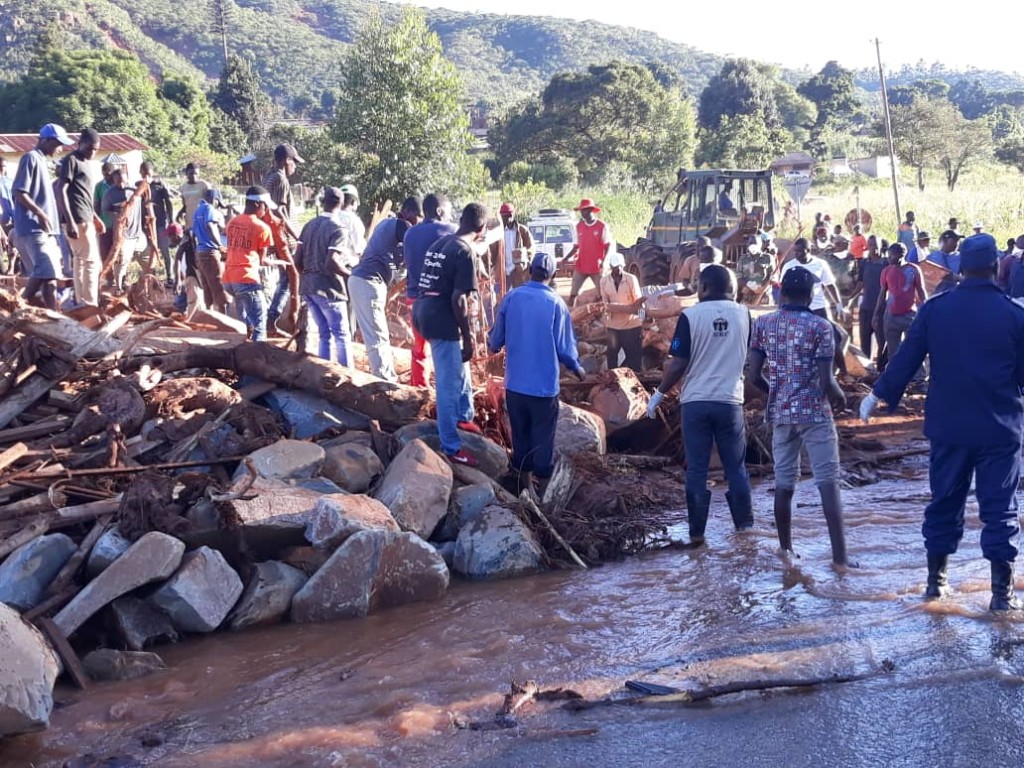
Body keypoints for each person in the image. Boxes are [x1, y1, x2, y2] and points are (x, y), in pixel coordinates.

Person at [862, 234, 1024, 611]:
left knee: (944, 504)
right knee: (999, 510)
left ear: (962, 268)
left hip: (949, 427)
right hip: (999, 429)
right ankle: (1002, 597)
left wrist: (878, 394)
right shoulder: (1015, 315)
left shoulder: (936, 310)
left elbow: (905, 357)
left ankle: (936, 586)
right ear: (995, 267)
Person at [747, 266, 854, 567]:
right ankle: (841, 559)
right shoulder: (821, 327)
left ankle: (786, 551)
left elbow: (754, 375)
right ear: (810, 295)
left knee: (784, 484)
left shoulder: (763, 324)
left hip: (781, 413)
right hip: (814, 414)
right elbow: (826, 381)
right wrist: (841, 398)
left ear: (781, 293)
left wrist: (776, 393)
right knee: (827, 483)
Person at [648, 264, 754, 546]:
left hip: (695, 403)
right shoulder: (745, 314)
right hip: (730, 401)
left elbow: (678, 364)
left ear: (703, 288)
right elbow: (751, 360)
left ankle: (696, 536)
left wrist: (658, 393)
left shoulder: (690, 316)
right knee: (736, 469)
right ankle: (745, 532)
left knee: (697, 469)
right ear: (732, 288)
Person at [488, 251, 585, 498]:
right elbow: (565, 349)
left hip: (516, 386)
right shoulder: (556, 304)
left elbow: (495, 339)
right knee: (543, 438)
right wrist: (577, 368)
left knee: (520, 435)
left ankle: (523, 489)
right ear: (552, 275)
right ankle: (542, 497)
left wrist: (494, 345)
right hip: (543, 388)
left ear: (529, 271)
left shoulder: (512, 297)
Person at [413, 203, 488, 467]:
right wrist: (468, 337)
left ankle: (463, 415)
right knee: (448, 383)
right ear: (482, 229)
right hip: (442, 319)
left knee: (461, 368)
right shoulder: (465, 252)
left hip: (423, 312)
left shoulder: (440, 244)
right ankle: (451, 446)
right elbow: (459, 299)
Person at [350, 196, 422, 382]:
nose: (420, 222)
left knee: (377, 335)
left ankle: (385, 376)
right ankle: (385, 383)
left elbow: (404, 268)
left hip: (367, 282)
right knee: (377, 337)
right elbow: (413, 241)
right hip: (368, 282)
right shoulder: (396, 224)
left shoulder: (393, 232)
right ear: (407, 212)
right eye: (419, 217)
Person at [12, 125, 74, 308]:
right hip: (33, 226)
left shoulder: (41, 161)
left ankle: (52, 315)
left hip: (45, 229)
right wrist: (40, 214)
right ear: (45, 141)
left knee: (50, 275)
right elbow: (19, 191)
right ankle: (17, 307)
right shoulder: (30, 158)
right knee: (45, 271)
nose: (60, 149)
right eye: (58, 144)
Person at [294, 187, 351, 366]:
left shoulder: (309, 225)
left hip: (308, 287)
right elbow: (331, 262)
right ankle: (349, 376)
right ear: (341, 204)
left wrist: (308, 273)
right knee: (342, 335)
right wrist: (350, 275)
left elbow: (297, 260)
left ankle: (323, 373)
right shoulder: (338, 228)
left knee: (324, 333)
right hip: (328, 288)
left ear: (322, 202)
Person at [404, 193, 456, 387]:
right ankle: (446, 396)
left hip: (414, 300)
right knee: (444, 350)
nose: (451, 216)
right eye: (449, 212)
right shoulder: (450, 230)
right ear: (440, 211)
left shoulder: (409, 233)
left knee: (419, 349)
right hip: (438, 302)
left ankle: (419, 390)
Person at [56, 128, 103, 307]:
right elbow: (61, 189)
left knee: (81, 261)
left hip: (86, 217)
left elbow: (84, 195)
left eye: (96, 149)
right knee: (91, 262)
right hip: (76, 220)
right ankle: (90, 304)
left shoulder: (86, 163)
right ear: (80, 144)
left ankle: (81, 303)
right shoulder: (72, 160)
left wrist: (95, 217)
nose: (92, 152)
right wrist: (69, 221)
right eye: (90, 148)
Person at [221, 186, 274, 341]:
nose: (266, 210)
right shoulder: (262, 227)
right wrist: (277, 262)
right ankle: (258, 358)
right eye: (265, 206)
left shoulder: (232, 222)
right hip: (246, 278)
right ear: (258, 204)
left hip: (229, 279)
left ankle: (244, 350)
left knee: (247, 320)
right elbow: (262, 259)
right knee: (260, 323)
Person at [262, 143, 304, 335]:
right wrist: (296, 235)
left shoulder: (269, 177)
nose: (295, 166)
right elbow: (278, 211)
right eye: (294, 162)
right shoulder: (280, 180)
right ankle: (273, 319)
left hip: (277, 237)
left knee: (286, 279)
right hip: (283, 238)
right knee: (288, 279)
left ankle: (276, 319)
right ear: (287, 161)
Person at [874, 243, 927, 376]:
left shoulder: (913, 269)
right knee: (893, 351)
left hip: (909, 315)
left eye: (891, 255)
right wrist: (876, 314)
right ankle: (894, 378)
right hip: (890, 316)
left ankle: (919, 379)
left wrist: (927, 309)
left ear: (900, 255)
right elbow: (882, 294)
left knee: (914, 347)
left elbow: (921, 291)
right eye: (888, 254)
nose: (888, 257)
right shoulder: (886, 271)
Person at [102, 166, 145, 294]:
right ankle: (119, 287)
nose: (121, 184)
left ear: (127, 178)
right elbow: (105, 210)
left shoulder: (135, 190)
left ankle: (146, 284)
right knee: (121, 261)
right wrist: (119, 216)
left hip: (138, 232)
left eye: (123, 181)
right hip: (123, 234)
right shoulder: (109, 194)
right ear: (113, 180)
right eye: (118, 181)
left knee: (146, 259)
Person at [563, 198, 613, 307]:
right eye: (581, 210)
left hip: (597, 266)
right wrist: (565, 258)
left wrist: (604, 262)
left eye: (584, 210)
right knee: (573, 293)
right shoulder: (579, 227)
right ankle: (571, 315)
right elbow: (576, 246)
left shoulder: (601, 226)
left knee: (602, 295)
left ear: (590, 210)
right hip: (581, 265)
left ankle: (604, 317)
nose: (582, 213)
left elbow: (608, 246)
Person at [599, 252, 643, 372]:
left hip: (632, 326)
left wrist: (642, 320)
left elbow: (639, 302)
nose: (617, 270)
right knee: (612, 359)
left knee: (634, 360)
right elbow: (604, 303)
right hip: (613, 327)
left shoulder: (631, 279)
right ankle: (614, 385)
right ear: (611, 267)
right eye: (614, 268)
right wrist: (606, 320)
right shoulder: (603, 281)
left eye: (618, 267)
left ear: (622, 266)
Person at [850, 235, 888, 364]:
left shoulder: (886, 263)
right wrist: (850, 298)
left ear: (881, 247)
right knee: (865, 341)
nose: (873, 248)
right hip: (866, 308)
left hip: (882, 309)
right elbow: (860, 283)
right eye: (871, 245)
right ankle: (867, 371)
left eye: (876, 245)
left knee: (882, 342)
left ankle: (881, 370)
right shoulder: (864, 263)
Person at [192, 188, 228, 313]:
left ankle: (209, 313)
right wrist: (220, 245)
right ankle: (224, 316)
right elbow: (210, 225)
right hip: (211, 251)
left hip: (200, 251)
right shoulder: (209, 208)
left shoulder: (197, 211)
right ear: (215, 200)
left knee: (207, 284)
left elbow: (194, 233)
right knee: (218, 284)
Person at [140, 161, 174, 285]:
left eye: (148, 173)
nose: (146, 176)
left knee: (165, 251)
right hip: (146, 226)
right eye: (143, 174)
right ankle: (152, 278)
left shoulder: (160, 186)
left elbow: (169, 203)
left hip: (160, 223)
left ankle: (170, 276)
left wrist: (172, 221)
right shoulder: (140, 187)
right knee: (149, 252)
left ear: (152, 173)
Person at [490, 202, 533, 294]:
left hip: (517, 271)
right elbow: (491, 253)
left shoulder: (522, 230)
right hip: (502, 271)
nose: (508, 218)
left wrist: (524, 263)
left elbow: (531, 249)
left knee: (520, 295)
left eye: (509, 215)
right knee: (501, 298)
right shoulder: (497, 233)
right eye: (505, 216)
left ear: (513, 214)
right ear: (501, 216)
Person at [177, 162, 209, 232]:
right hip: (189, 222)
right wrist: (180, 212)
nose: (194, 176)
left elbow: (210, 204)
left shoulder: (204, 185)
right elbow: (185, 204)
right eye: (191, 173)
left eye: (196, 174)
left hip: (202, 221)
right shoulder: (183, 187)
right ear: (186, 173)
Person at [0, 156, 14, 273]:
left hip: (12, 218)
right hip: (2, 219)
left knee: (12, 245)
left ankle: (12, 268)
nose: (2, 169)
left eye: (3, 166)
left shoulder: (10, 182)